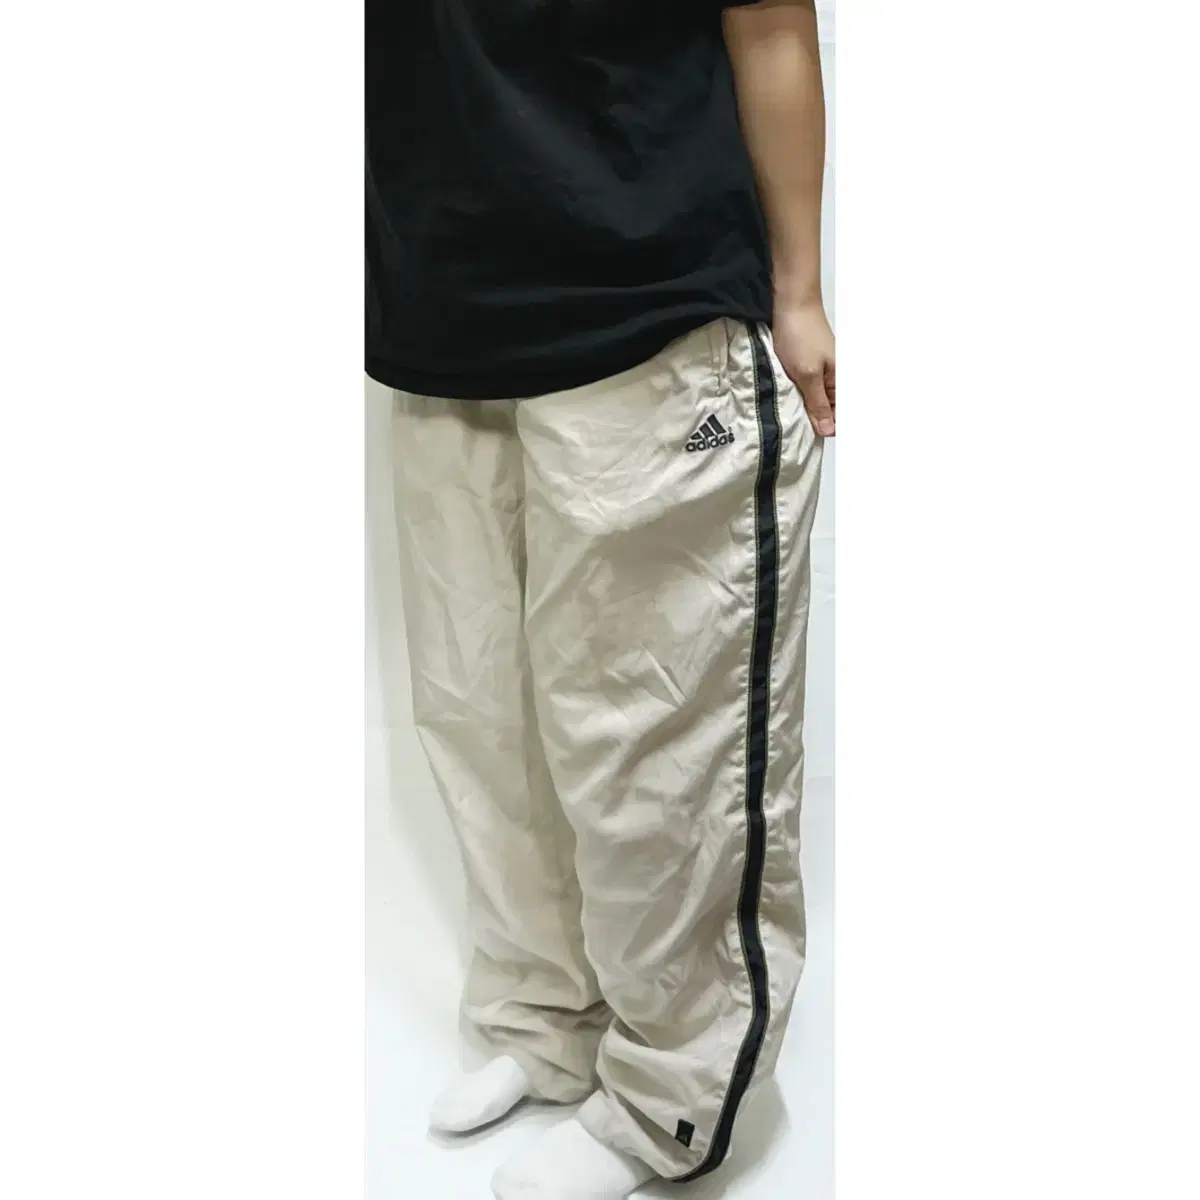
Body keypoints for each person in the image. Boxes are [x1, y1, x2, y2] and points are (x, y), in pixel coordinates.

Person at [366, 2, 833, 1196]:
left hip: (645, 296)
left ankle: (673, 1096)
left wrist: (799, 291)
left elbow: (770, 21)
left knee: (652, 742)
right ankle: (546, 1019)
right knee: (487, 720)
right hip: (443, 309)